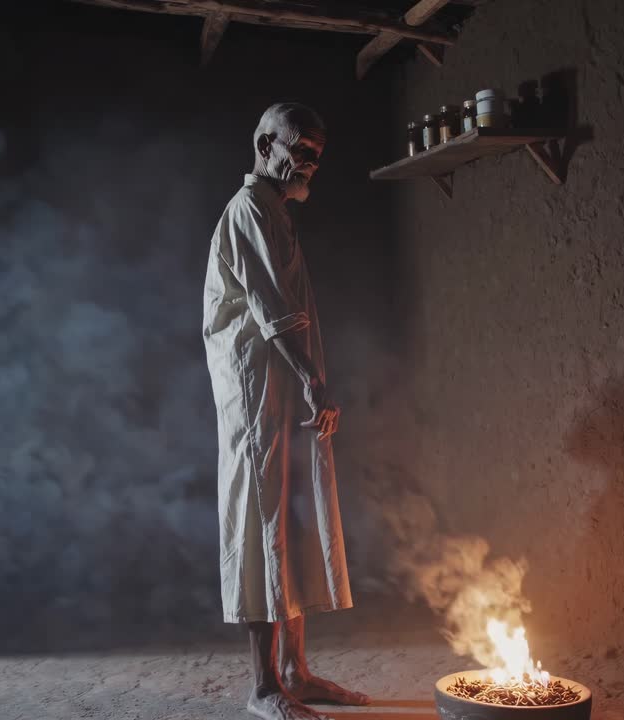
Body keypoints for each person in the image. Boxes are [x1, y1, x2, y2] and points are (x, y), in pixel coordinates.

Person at [202, 103, 370, 720]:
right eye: (299, 149)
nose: (309, 164)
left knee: (291, 524)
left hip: (285, 391)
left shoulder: (276, 213)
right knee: (258, 524)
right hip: (257, 393)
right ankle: (265, 687)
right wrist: (313, 382)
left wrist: (308, 383)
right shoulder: (248, 210)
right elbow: (272, 312)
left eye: (316, 155)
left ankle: (297, 671)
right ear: (263, 143)